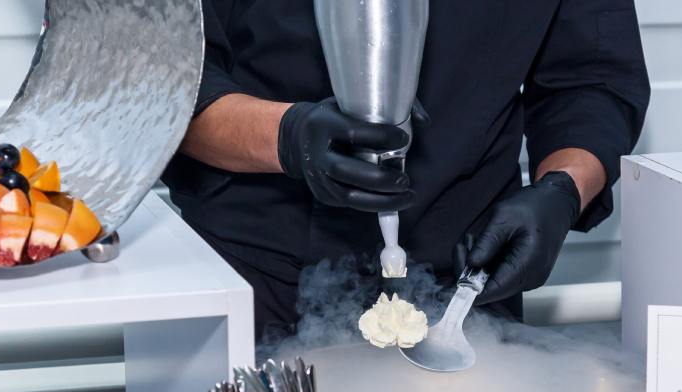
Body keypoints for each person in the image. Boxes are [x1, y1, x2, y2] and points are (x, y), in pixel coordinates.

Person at [163, 0, 649, 339]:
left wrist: (562, 189)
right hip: (256, 276)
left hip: (469, 279)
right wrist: (288, 137)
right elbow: (164, 76)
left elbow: (592, 75)